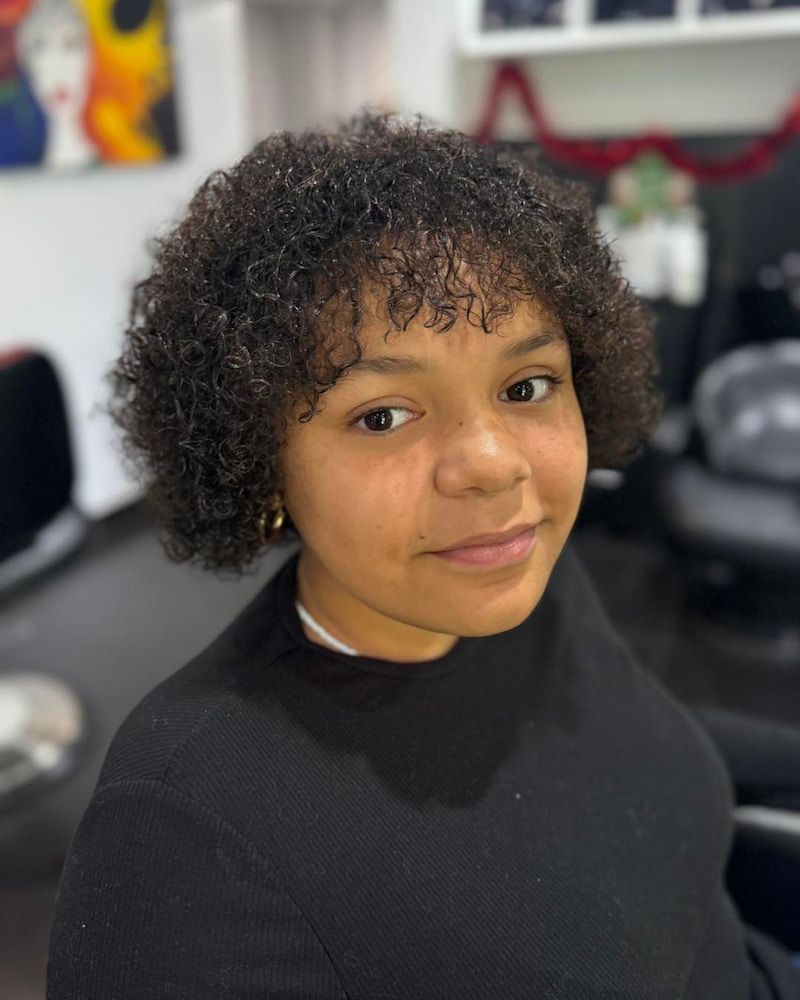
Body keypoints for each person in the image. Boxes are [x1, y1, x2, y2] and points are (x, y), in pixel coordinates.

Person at [45, 110, 800, 999]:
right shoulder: (184, 840)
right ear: (258, 461)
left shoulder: (524, 582)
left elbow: (634, 736)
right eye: (383, 416)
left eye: (527, 387)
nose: (495, 464)